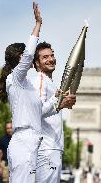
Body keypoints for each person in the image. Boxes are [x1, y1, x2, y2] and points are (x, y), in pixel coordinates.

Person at [0, 2, 60, 182]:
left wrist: (58, 100)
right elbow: (28, 55)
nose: (30, 59)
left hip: (34, 143)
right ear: (19, 58)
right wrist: (38, 25)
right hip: (23, 142)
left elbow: (40, 110)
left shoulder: (28, 86)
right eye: (26, 55)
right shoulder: (14, 78)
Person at [31, 42, 76, 182]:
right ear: (37, 63)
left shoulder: (50, 83)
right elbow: (36, 111)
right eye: (45, 57)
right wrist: (61, 104)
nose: (51, 59)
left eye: (52, 55)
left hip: (53, 148)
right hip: (46, 148)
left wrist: (63, 103)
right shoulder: (40, 80)